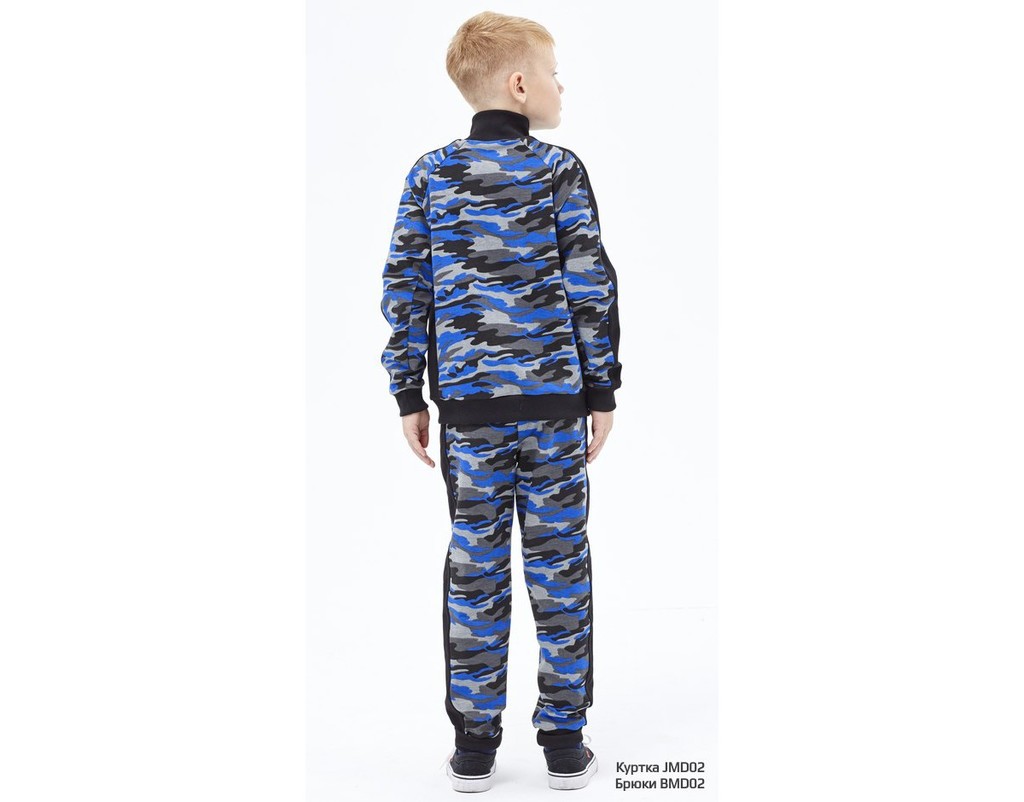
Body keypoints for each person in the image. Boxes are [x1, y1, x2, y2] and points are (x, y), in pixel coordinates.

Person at [379, 10, 622, 793]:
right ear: (520, 84)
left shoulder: (430, 174)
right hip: (555, 410)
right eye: (553, 73)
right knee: (560, 563)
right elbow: (590, 284)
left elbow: (406, 287)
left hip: (468, 415)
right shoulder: (558, 171)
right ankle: (564, 744)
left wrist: (408, 390)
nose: (561, 87)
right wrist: (601, 388)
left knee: (475, 568)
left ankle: (475, 749)